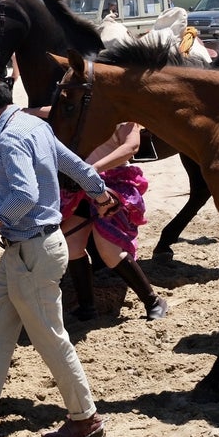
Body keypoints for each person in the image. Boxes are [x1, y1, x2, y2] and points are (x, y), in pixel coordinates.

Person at [0, 71, 114, 437]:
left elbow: (22, 197)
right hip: (28, 251)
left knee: (50, 337)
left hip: (32, 251)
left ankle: (85, 416)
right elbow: (76, 166)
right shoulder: (34, 125)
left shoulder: (10, 139)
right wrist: (99, 193)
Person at [63, 122, 168, 322]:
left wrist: (92, 169)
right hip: (82, 187)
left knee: (110, 252)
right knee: (70, 245)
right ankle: (87, 306)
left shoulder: (124, 118)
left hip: (112, 185)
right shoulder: (79, 109)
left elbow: (131, 147)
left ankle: (153, 301)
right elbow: (52, 110)